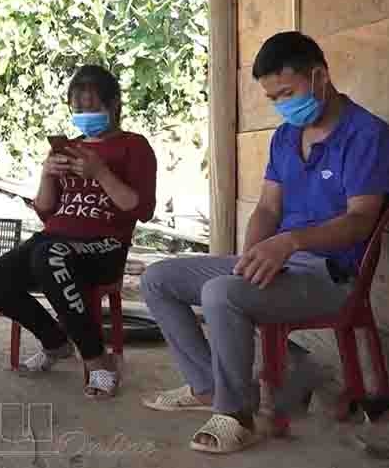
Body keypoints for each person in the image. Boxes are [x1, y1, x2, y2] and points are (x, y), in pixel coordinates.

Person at [141, 31, 389, 454]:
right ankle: (206, 385)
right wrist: (253, 252)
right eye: (274, 98)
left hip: (333, 277)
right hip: (284, 264)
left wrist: (289, 244)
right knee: (158, 278)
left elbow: (361, 221)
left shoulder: (367, 135)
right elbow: (268, 209)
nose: (283, 105)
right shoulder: (285, 138)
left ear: (320, 76)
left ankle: (237, 415)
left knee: (222, 293)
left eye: (288, 92)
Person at [0, 65, 157, 399]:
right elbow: (46, 210)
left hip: (104, 245)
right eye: (78, 110)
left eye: (92, 108)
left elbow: (141, 209)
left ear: (114, 104)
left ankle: (98, 360)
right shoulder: (67, 147)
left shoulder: (134, 146)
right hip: (55, 239)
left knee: (49, 256)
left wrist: (100, 172)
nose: (84, 116)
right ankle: (55, 342)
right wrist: (47, 173)